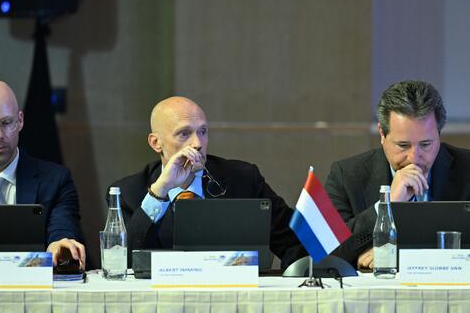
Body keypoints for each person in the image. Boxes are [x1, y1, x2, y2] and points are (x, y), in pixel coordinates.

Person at [109, 96, 306, 268]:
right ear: (156, 143)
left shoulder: (244, 179)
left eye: (202, 131)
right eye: (184, 133)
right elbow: (123, 262)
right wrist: (159, 191)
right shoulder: (127, 193)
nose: (197, 143)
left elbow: (296, 244)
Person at [325, 80, 470, 269]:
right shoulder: (346, 175)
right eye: (403, 145)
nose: (414, 158)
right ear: (382, 134)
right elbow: (329, 252)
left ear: (439, 134)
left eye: (426, 144)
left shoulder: (466, 168)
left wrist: (398, 256)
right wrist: (387, 204)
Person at [0, 80, 85, 267]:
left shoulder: (56, 180)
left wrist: (58, 244)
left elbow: (62, 229)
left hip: (33, 281)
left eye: (6, 122)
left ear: (20, 121)